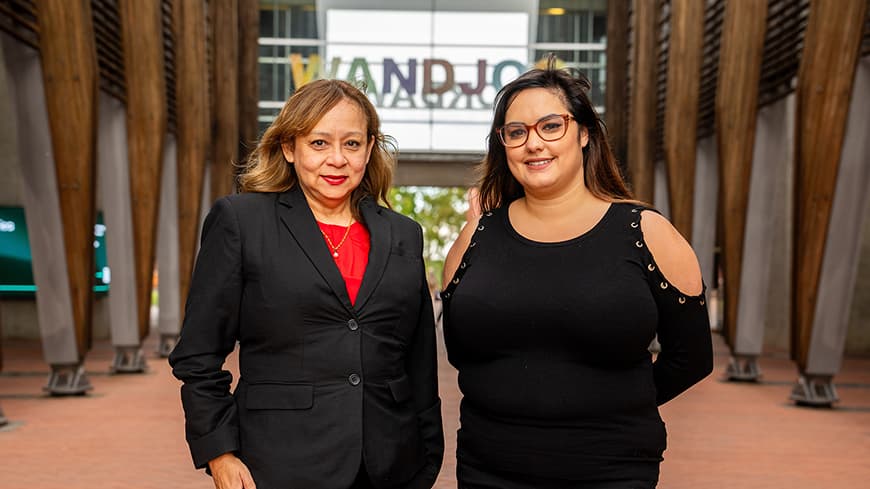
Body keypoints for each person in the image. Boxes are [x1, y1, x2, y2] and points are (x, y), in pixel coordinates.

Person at [441, 58, 714, 489]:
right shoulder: (476, 237)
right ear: (503, 145)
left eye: (551, 126)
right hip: (488, 467)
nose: (534, 144)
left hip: (611, 469)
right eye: (517, 132)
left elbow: (692, 358)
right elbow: (463, 352)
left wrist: (611, 404)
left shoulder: (646, 232)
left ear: (584, 133)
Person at [169, 79, 444, 489]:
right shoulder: (241, 222)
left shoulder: (404, 234)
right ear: (289, 148)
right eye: (319, 143)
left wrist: (427, 454)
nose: (337, 159)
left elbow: (419, 360)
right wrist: (219, 453)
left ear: (369, 150)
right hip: (278, 463)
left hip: (390, 463)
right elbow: (198, 356)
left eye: (351, 144)